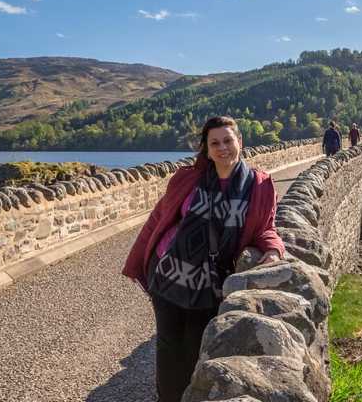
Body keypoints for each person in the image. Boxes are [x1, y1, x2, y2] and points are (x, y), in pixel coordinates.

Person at [122, 116, 284, 402]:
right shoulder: (188, 178)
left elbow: (265, 227)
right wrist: (141, 261)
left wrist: (272, 250)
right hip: (169, 274)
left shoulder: (259, 185)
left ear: (240, 142)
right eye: (215, 143)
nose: (222, 148)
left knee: (196, 347)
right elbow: (159, 219)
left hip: (211, 283)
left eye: (227, 140)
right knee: (169, 347)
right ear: (206, 149)